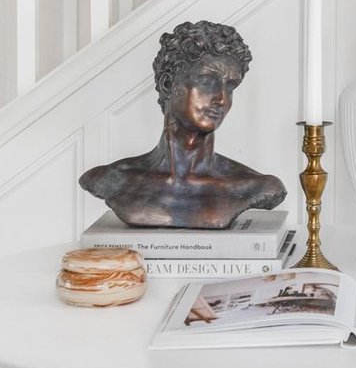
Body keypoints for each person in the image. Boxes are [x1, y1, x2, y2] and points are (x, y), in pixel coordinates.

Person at [79, 20, 287, 230]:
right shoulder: (111, 179)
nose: (222, 99)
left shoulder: (255, 187)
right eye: (206, 81)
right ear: (168, 84)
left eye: (230, 87)